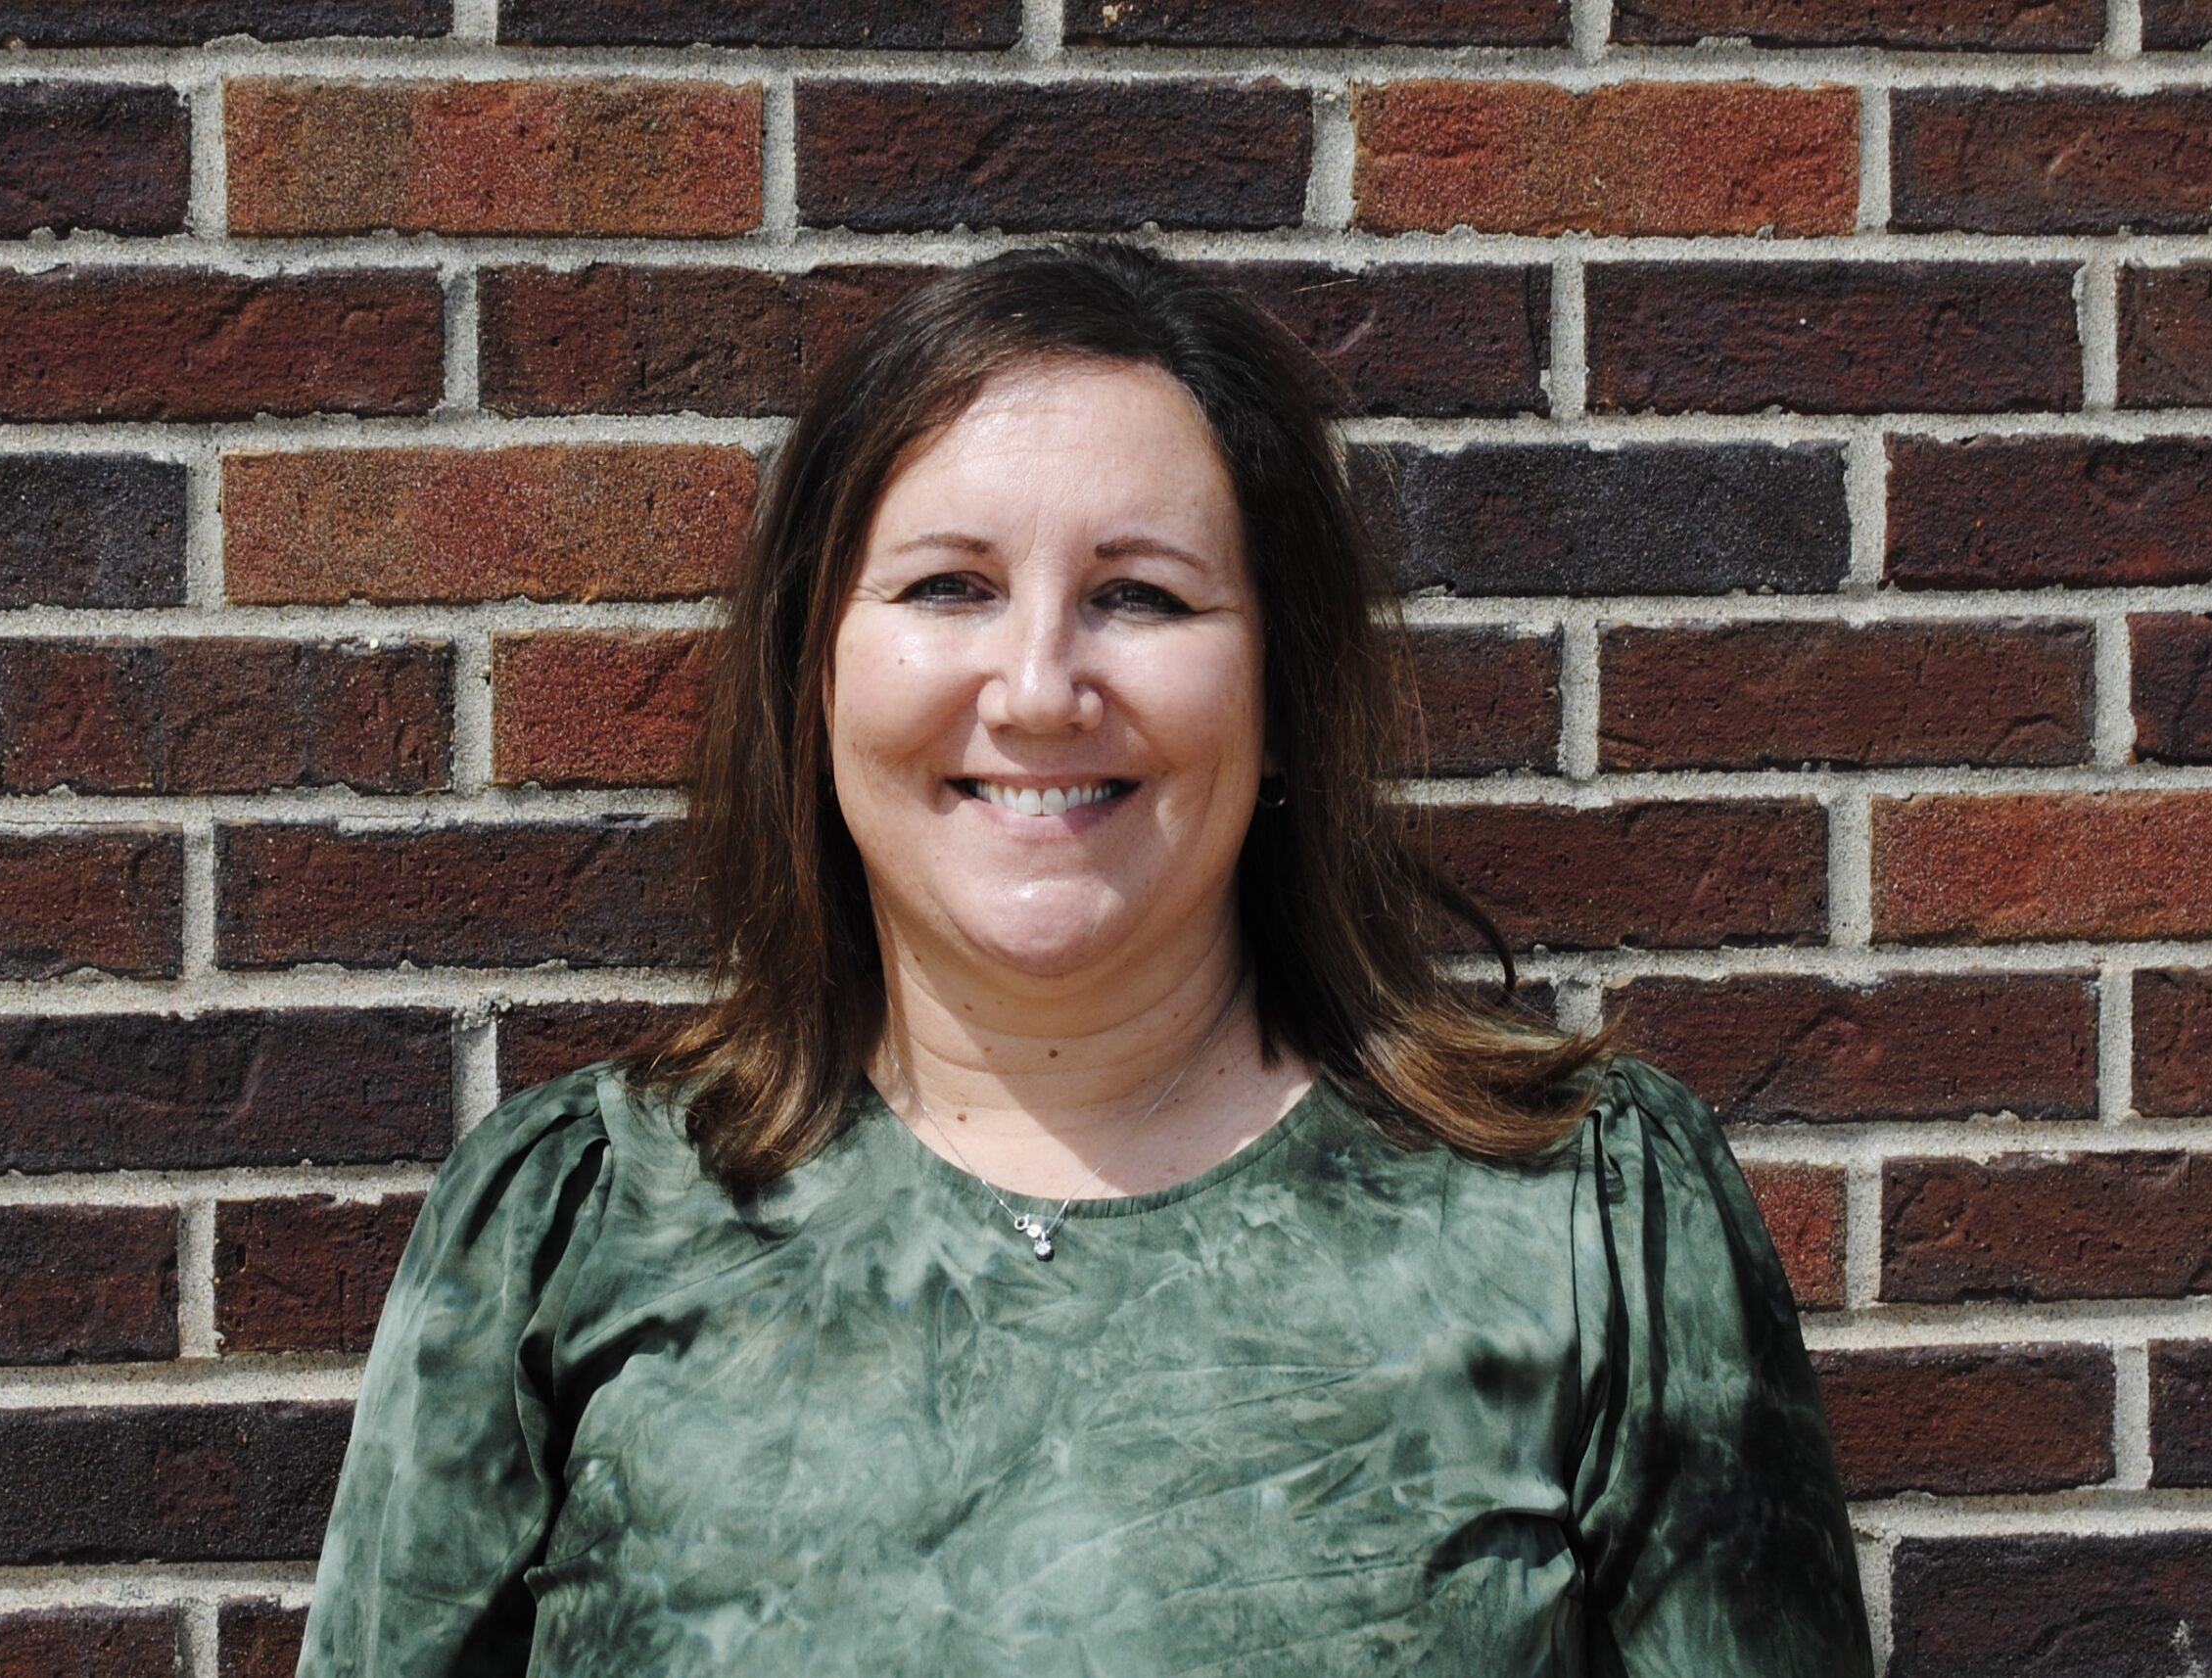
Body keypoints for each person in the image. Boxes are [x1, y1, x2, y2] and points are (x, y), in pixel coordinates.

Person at [294, 240, 1873, 1676]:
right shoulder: (571, 1227)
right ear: (817, 674)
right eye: (949, 588)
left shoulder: (1585, 1218)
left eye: (1137, 595)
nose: (1040, 686)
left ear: (1279, 693)